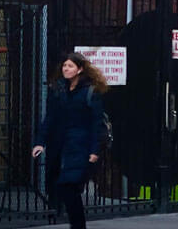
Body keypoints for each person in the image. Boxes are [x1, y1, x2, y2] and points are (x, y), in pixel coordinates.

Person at [32, 52, 107, 229]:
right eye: (65, 66)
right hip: (60, 145)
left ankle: (78, 226)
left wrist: (95, 151)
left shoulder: (90, 91)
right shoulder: (58, 90)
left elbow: (97, 123)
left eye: (70, 66)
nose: (66, 69)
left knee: (69, 186)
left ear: (80, 69)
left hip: (81, 146)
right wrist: (40, 142)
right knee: (64, 188)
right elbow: (49, 119)